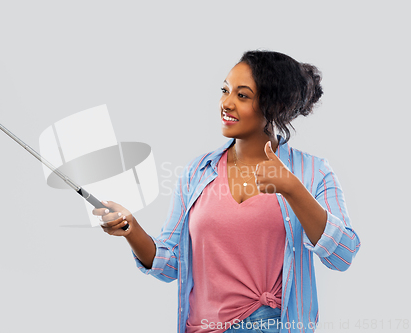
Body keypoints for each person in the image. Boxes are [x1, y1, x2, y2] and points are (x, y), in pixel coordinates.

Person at [92, 50, 361, 333]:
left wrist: (292, 189)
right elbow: (172, 265)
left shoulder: (313, 172)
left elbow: (342, 255)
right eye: (225, 90)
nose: (226, 103)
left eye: (242, 95)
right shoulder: (197, 173)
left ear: (275, 105)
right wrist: (131, 228)